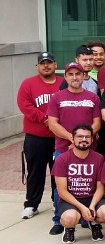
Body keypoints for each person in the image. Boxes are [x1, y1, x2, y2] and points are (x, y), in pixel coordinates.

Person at [47, 62, 102, 234]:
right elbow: (52, 124)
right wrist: (73, 139)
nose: (74, 77)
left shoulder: (92, 97)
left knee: (89, 183)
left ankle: (87, 217)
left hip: (89, 149)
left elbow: (97, 123)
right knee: (61, 185)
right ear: (65, 77)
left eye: (77, 74)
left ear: (83, 76)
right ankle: (59, 219)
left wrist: (82, 141)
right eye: (70, 74)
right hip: (63, 148)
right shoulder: (57, 97)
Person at [17, 52, 63, 221]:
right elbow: (25, 105)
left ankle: (56, 201)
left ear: (55, 65)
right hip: (36, 137)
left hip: (59, 137)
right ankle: (31, 204)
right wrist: (45, 119)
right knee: (35, 171)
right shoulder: (28, 84)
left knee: (58, 171)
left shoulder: (62, 83)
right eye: (42, 63)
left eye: (49, 63)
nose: (46, 66)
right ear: (37, 66)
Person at [53, 124, 105, 244]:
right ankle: (69, 228)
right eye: (80, 136)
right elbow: (62, 191)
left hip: (92, 198)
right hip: (70, 200)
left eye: (87, 137)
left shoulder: (99, 158)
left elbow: (100, 188)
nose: (84, 139)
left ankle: (94, 223)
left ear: (92, 140)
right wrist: (82, 208)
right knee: (69, 218)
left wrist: (91, 206)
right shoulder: (62, 159)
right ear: (73, 138)